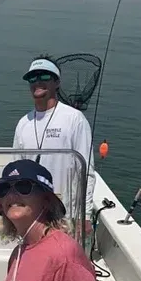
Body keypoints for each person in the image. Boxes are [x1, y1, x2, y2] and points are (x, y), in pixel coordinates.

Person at [13, 56, 95, 235]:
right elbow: (16, 172)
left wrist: (85, 214)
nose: (37, 82)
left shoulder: (74, 119)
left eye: (44, 77)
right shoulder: (23, 123)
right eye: (32, 78)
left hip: (65, 215)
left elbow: (86, 170)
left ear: (56, 82)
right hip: (32, 213)